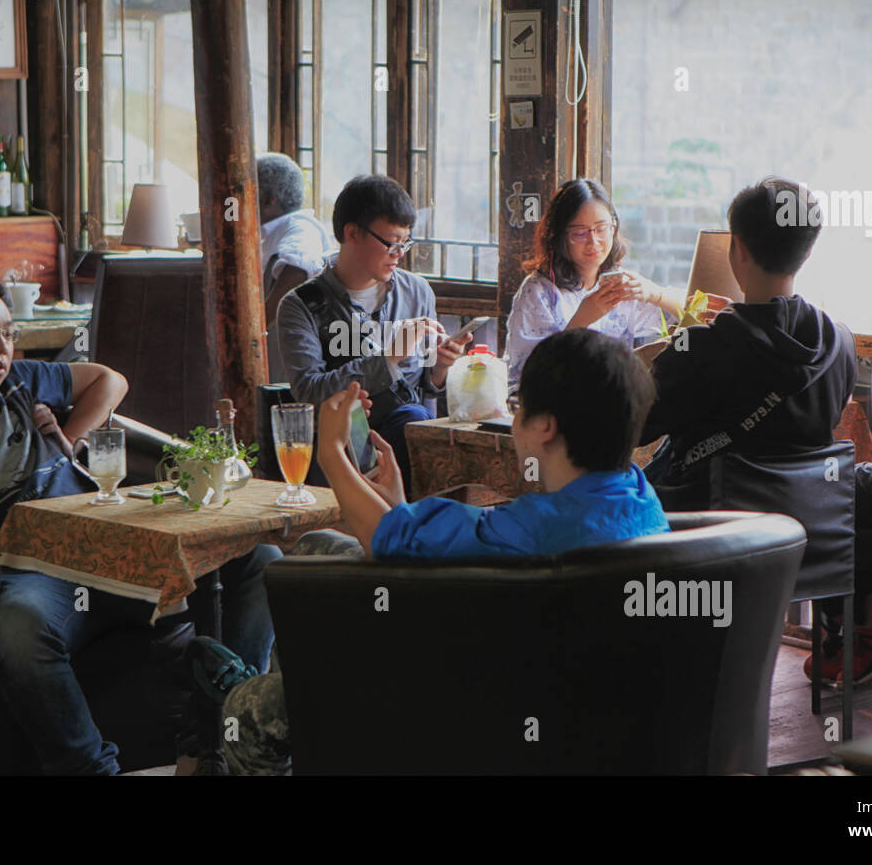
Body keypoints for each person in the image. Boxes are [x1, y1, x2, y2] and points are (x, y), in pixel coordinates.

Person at [0, 272, 279, 775]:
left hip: (108, 541)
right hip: (33, 567)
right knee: (18, 633)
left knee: (260, 560)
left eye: (9, 333)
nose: (2, 347)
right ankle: (91, 769)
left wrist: (72, 437)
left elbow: (111, 380)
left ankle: (229, 726)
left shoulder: (20, 380)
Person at [219, 329, 670, 774]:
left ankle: (259, 694)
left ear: (544, 426)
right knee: (316, 547)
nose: (513, 421)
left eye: (517, 408)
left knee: (245, 712)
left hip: (466, 708)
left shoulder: (530, 531)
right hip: (585, 716)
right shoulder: (640, 497)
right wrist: (398, 508)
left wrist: (333, 452)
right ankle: (281, 684)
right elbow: (407, 536)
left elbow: (387, 542)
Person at [639, 177, 857, 510]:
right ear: (808, 250)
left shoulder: (700, 349)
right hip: (801, 538)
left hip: (703, 540)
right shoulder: (840, 343)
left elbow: (631, 428)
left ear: (739, 248)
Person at [277, 173, 470, 492]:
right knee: (400, 424)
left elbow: (424, 387)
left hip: (408, 431)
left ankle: (410, 526)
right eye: (392, 243)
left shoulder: (417, 292)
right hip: (343, 446)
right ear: (352, 233)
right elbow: (309, 392)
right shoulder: (301, 305)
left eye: (405, 243)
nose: (400, 254)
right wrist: (389, 356)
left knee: (416, 420)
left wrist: (441, 367)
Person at [504, 179, 683, 391]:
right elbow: (529, 376)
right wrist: (582, 319)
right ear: (560, 236)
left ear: (613, 228)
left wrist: (654, 293)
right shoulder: (539, 292)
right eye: (579, 233)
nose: (593, 241)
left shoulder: (619, 284)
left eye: (601, 228)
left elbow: (693, 312)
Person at [255, 152, 337, 381]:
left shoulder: (301, 228)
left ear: (269, 200)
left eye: (249, 192)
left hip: (294, 351)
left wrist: (255, 327)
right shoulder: (273, 231)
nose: (240, 201)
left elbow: (297, 269)